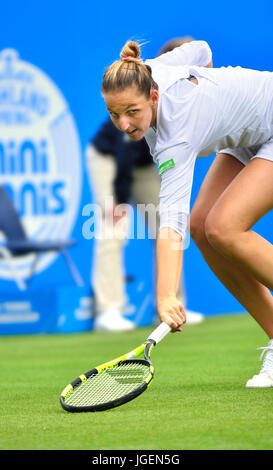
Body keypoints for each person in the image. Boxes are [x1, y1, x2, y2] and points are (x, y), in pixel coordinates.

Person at [101, 38, 273, 388]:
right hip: (247, 137)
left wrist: (165, 295)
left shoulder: (175, 135)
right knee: (202, 226)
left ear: (153, 97)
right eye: (114, 114)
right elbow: (203, 49)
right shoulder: (151, 71)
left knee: (224, 227)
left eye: (132, 111)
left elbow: (171, 222)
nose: (123, 124)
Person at [87, 37, 206, 332]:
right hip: (110, 160)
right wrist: (116, 199)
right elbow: (123, 147)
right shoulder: (140, 90)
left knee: (168, 227)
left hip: (144, 165)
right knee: (112, 228)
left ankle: (171, 305)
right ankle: (108, 310)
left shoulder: (182, 97)